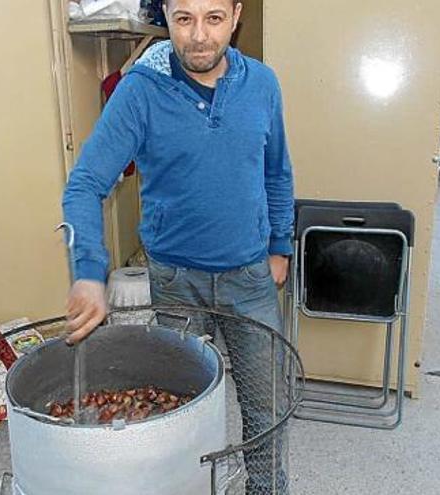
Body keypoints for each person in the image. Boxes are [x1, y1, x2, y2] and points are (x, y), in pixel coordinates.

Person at [62, 0, 295, 492]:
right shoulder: (139, 92)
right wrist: (88, 270)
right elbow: (85, 183)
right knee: (179, 406)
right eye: (183, 19)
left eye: (213, 18)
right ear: (166, 15)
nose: (199, 36)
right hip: (175, 282)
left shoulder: (263, 84)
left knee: (268, 405)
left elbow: (276, 171)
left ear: (235, 15)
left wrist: (279, 245)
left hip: (250, 277)